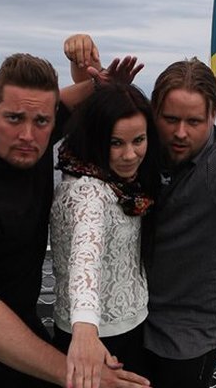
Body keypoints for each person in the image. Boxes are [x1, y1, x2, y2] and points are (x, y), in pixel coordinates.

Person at [66, 34, 216, 388]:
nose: (180, 132)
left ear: (213, 115)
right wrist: (86, 75)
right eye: (170, 119)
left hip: (187, 337)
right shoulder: (141, 148)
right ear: (154, 114)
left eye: (194, 122)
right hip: (130, 320)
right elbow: (93, 134)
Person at [0, 52, 151, 388]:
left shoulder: (32, 137)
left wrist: (102, 86)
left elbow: (63, 103)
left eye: (41, 122)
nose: (27, 134)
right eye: (13, 118)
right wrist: (81, 374)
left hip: (22, 320)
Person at [49, 82, 160, 388]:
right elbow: (85, 255)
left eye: (139, 140)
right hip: (100, 339)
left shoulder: (120, 183)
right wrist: (85, 328)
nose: (130, 154)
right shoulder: (89, 192)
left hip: (130, 325)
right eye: (115, 143)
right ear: (96, 138)